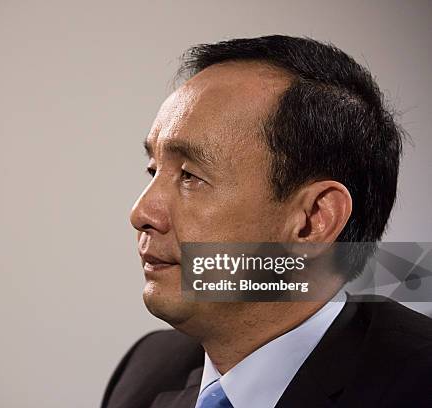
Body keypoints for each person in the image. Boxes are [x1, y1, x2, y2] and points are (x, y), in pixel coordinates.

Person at [101, 35, 432, 408]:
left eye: (190, 176)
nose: (141, 213)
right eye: (153, 170)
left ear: (312, 220)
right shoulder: (146, 369)